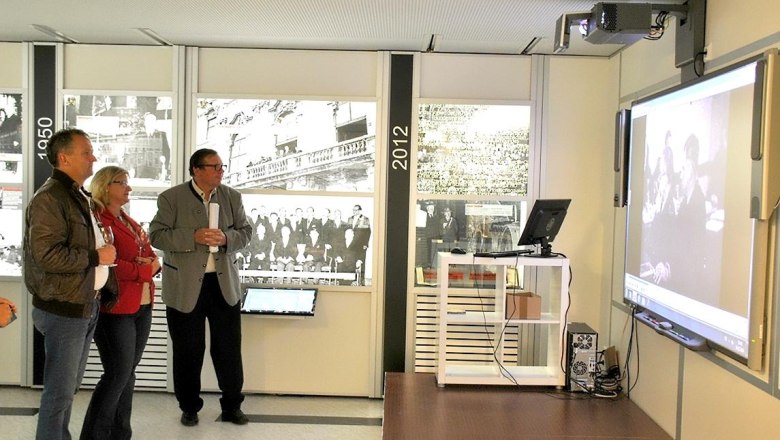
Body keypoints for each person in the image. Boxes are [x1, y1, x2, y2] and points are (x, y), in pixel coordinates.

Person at [24, 128, 117, 440]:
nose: (93, 158)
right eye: (86, 152)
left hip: (84, 304)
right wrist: (95, 256)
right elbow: (46, 256)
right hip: (64, 308)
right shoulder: (50, 198)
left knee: (67, 389)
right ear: (64, 158)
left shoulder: (77, 195)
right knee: (59, 392)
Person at [149, 148, 252, 427]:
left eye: (222, 166)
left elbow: (246, 232)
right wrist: (193, 236)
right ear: (196, 169)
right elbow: (156, 235)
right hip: (184, 287)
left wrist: (226, 238)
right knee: (188, 351)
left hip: (223, 285)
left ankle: (232, 406)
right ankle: (189, 407)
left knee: (228, 350)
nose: (220, 171)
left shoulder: (232, 196)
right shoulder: (171, 198)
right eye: (214, 166)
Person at [80, 166, 161, 440]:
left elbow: (150, 255)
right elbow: (110, 264)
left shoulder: (127, 220)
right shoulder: (98, 221)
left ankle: (120, 433)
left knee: (127, 374)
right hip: (116, 308)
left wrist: (148, 264)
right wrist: (143, 268)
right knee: (117, 374)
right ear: (106, 186)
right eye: (122, 183)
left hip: (142, 304)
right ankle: (95, 435)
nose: (129, 188)